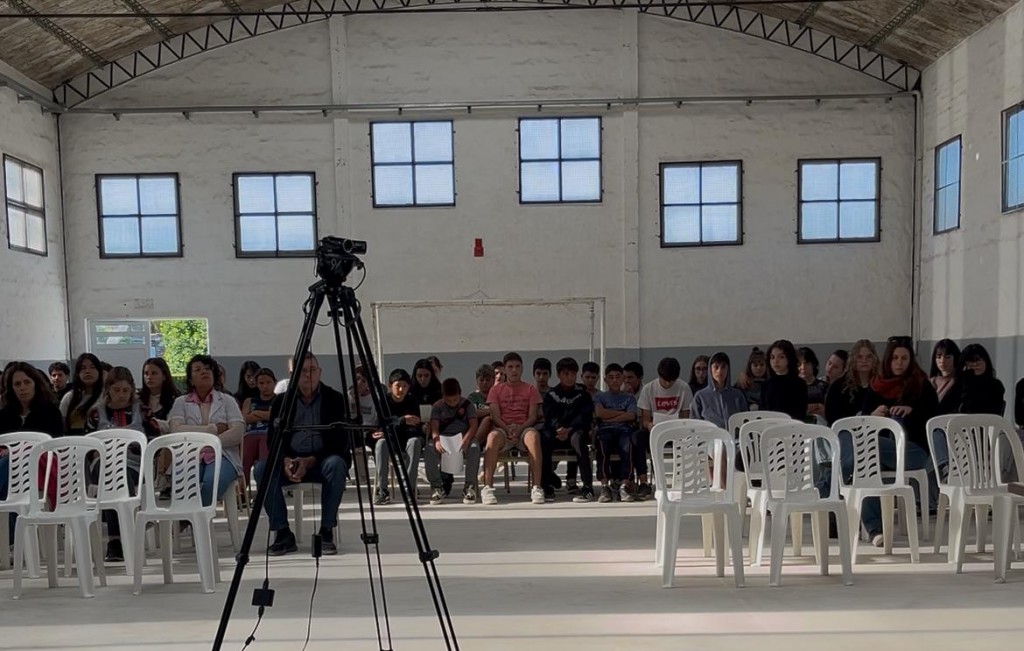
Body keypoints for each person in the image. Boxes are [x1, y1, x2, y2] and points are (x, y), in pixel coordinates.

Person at [255, 352, 350, 556]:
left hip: (321, 461)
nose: (308, 375)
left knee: (336, 464)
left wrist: (310, 461)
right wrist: (285, 460)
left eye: (312, 370)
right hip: (291, 461)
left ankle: (326, 531)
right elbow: (273, 439)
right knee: (262, 469)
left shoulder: (334, 399)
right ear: (293, 375)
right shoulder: (281, 402)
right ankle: (282, 532)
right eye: (303, 371)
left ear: (320, 372)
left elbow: (340, 442)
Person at [848, 336, 937, 546]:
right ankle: (876, 530)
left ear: (911, 360)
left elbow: (934, 420)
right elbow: (864, 422)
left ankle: (837, 473)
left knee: (865, 447)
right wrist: (873, 415)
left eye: (904, 358)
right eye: (895, 358)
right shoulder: (876, 385)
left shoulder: (921, 384)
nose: (899, 363)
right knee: (868, 464)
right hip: (879, 452)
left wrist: (911, 411)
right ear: (888, 360)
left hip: (914, 451)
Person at [86, 366, 146, 562]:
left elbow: (154, 441)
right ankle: (121, 536)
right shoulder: (96, 414)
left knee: (119, 475)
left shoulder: (143, 411)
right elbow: (87, 447)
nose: (121, 395)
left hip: (134, 465)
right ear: (108, 390)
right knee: (113, 474)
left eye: (126, 390)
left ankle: (117, 539)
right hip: (102, 465)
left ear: (132, 390)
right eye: (116, 390)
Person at [168, 355, 245, 507]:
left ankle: (189, 516)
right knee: (186, 485)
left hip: (223, 454)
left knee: (211, 483)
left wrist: (210, 444)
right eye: (197, 369)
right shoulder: (181, 402)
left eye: (208, 369)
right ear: (191, 380)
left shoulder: (227, 401)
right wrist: (213, 429)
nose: (204, 371)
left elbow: (237, 432)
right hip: (189, 455)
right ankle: (195, 516)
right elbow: (176, 430)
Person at [0, 363, 63, 546]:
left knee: (10, 463)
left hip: (41, 467)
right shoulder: (4, 414)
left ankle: (11, 540)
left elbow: (55, 445)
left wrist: (18, 451)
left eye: (26, 382)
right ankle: (12, 541)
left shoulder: (50, 412)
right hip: (12, 471)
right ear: (11, 388)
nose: (22, 387)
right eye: (17, 384)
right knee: (9, 477)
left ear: (35, 383)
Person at [481, 352, 544, 505]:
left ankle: (537, 487)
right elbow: (495, 416)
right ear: (505, 369)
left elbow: (532, 417)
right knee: (492, 438)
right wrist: (508, 429)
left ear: (522, 368)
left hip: (524, 428)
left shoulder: (531, 389)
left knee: (534, 436)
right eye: (510, 367)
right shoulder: (495, 390)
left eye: (517, 366)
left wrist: (520, 429)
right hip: (503, 429)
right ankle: (487, 488)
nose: (514, 370)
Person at [636, 357, 693, 501]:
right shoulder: (649, 389)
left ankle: (684, 480)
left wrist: (678, 424)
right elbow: (645, 420)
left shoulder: (684, 388)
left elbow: (686, 416)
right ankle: (644, 482)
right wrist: (650, 425)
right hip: (654, 431)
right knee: (637, 438)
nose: (668, 384)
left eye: (671, 381)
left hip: (677, 432)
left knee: (690, 438)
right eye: (665, 380)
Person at [540, 358, 594, 503]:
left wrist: (569, 429)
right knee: (544, 438)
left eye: (573, 374)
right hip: (556, 433)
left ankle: (587, 487)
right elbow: (549, 416)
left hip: (574, 432)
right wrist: (558, 428)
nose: (570, 377)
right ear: (559, 375)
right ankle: (546, 486)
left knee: (579, 439)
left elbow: (585, 416)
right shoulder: (551, 395)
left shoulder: (583, 394)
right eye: (566, 374)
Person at [424, 378, 481, 504]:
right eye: (448, 400)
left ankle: (469, 486)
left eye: (455, 400)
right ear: (443, 397)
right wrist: (437, 441)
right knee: (429, 449)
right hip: (443, 438)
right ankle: (436, 486)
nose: (452, 403)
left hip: (463, 437)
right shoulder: (437, 407)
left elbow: (473, 425)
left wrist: (466, 440)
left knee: (474, 447)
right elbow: (434, 427)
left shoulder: (467, 405)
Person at [371, 369, 423, 505]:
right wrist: (402, 420)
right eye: (398, 386)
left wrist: (393, 424)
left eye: (404, 386)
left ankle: (409, 488)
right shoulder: (383, 401)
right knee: (381, 444)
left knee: (415, 442)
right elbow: (381, 424)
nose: (401, 389)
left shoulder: (412, 401)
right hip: (390, 440)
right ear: (390, 385)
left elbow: (414, 426)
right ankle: (382, 489)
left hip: (407, 438)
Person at [593, 363, 637, 503]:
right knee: (602, 449)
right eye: (611, 377)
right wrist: (621, 414)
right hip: (605, 430)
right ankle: (605, 486)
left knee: (627, 448)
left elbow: (631, 416)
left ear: (623, 378)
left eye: (618, 377)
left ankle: (624, 485)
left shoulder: (629, 398)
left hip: (624, 430)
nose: (614, 380)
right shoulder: (600, 396)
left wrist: (609, 417)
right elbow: (600, 413)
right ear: (605, 379)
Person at [139, 357, 180, 494]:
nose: (149, 377)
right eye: (146, 373)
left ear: (164, 376)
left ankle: (163, 481)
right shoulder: (137, 399)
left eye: (154, 373)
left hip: (165, 440)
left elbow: (172, 425)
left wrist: (153, 423)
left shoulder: (175, 399)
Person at [825, 340, 879, 425]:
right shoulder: (838, 386)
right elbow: (832, 417)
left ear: (874, 359)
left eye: (869, 357)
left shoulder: (881, 384)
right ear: (853, 359)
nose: (864, 361)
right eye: (859, 357)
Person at [692, 352, 748, 430]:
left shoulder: (738, 395)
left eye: (723, 367)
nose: (719, 371)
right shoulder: (700, 396)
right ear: (710, 370)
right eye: (716, 367)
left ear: (728, 369)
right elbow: (695, 424)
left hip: (733, 435)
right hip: (710, 436)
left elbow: (745, 420)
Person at [241, 368, 276, 489]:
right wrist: (266, 415)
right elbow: (244, 418)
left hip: (268, 434)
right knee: (244, 461)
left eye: (268, 382)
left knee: (264, 462)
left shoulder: (279, 400)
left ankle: (263, 489)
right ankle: (241, 491)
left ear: (274, 382)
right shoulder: (249, 401)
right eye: (261, 383)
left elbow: (276, 417)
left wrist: (255, 413)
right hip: (250, 434)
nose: (265, 386)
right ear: (256, 384)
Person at [762, 340, 808, 420]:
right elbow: (762, 412)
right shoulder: (766, 385)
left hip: (792, 425)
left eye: (781, 357)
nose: (775, 361)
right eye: (772, 357)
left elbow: (800, 413)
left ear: (789, 358)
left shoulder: (799, 384)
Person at [59, 353, 104, 436]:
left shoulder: (106, 396)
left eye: (92, 367)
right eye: (83, 368)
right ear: (77, 373)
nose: (87, 371)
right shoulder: (69, 397)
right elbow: (62, 425)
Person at [958, 344, 1005, 415]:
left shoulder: (995, 385)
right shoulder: (958, 384)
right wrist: (967, 379)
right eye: (971, 361)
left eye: (978, 360)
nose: (975, 364)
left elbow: (991, 412)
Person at [929, 339, 962, 415]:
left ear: (955, 358)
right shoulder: (930, 381)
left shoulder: (961, 382)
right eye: (939, 357)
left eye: (947, 357)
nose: (942, 361)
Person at [467, 363, 495, 445]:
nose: (484, 382)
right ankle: (474, 445)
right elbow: (472, 413)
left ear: (493, 381)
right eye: (482, 380)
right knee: (487, 419)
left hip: (494, 430)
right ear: (477, 381)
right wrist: (490, 411)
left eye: (488, 380)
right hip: (476, 428)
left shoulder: (497, 396)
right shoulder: (473, 397)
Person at [798, 347, 829, 420]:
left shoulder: (824, 387)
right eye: (799, 364)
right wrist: (816, 406)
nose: (803, 367)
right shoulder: (790, 388)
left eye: (807, 363)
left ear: (813, 365)